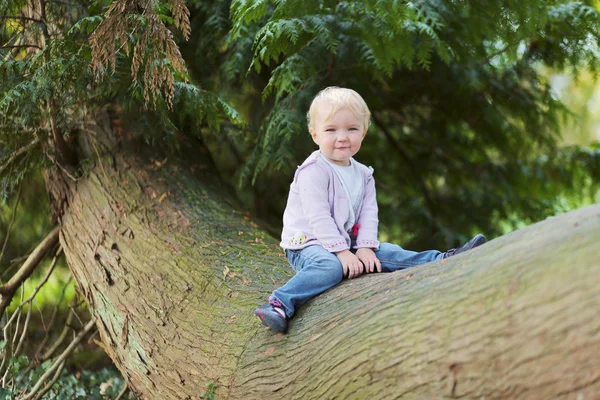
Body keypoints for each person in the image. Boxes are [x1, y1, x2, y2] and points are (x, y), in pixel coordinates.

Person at [254, 87, 486, 333]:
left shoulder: (363, 174)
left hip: (347, 241)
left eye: (352, 129)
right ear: (315, 135)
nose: (342, 137)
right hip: (307, 243)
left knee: (386, 252)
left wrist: (364, 247)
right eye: (331, 130)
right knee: (330, 268)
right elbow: (318, 217)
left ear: (363, 132)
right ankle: (279, 303)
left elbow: (368, 214)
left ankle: (443, 260)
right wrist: (343, 253)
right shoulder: (313, 171)